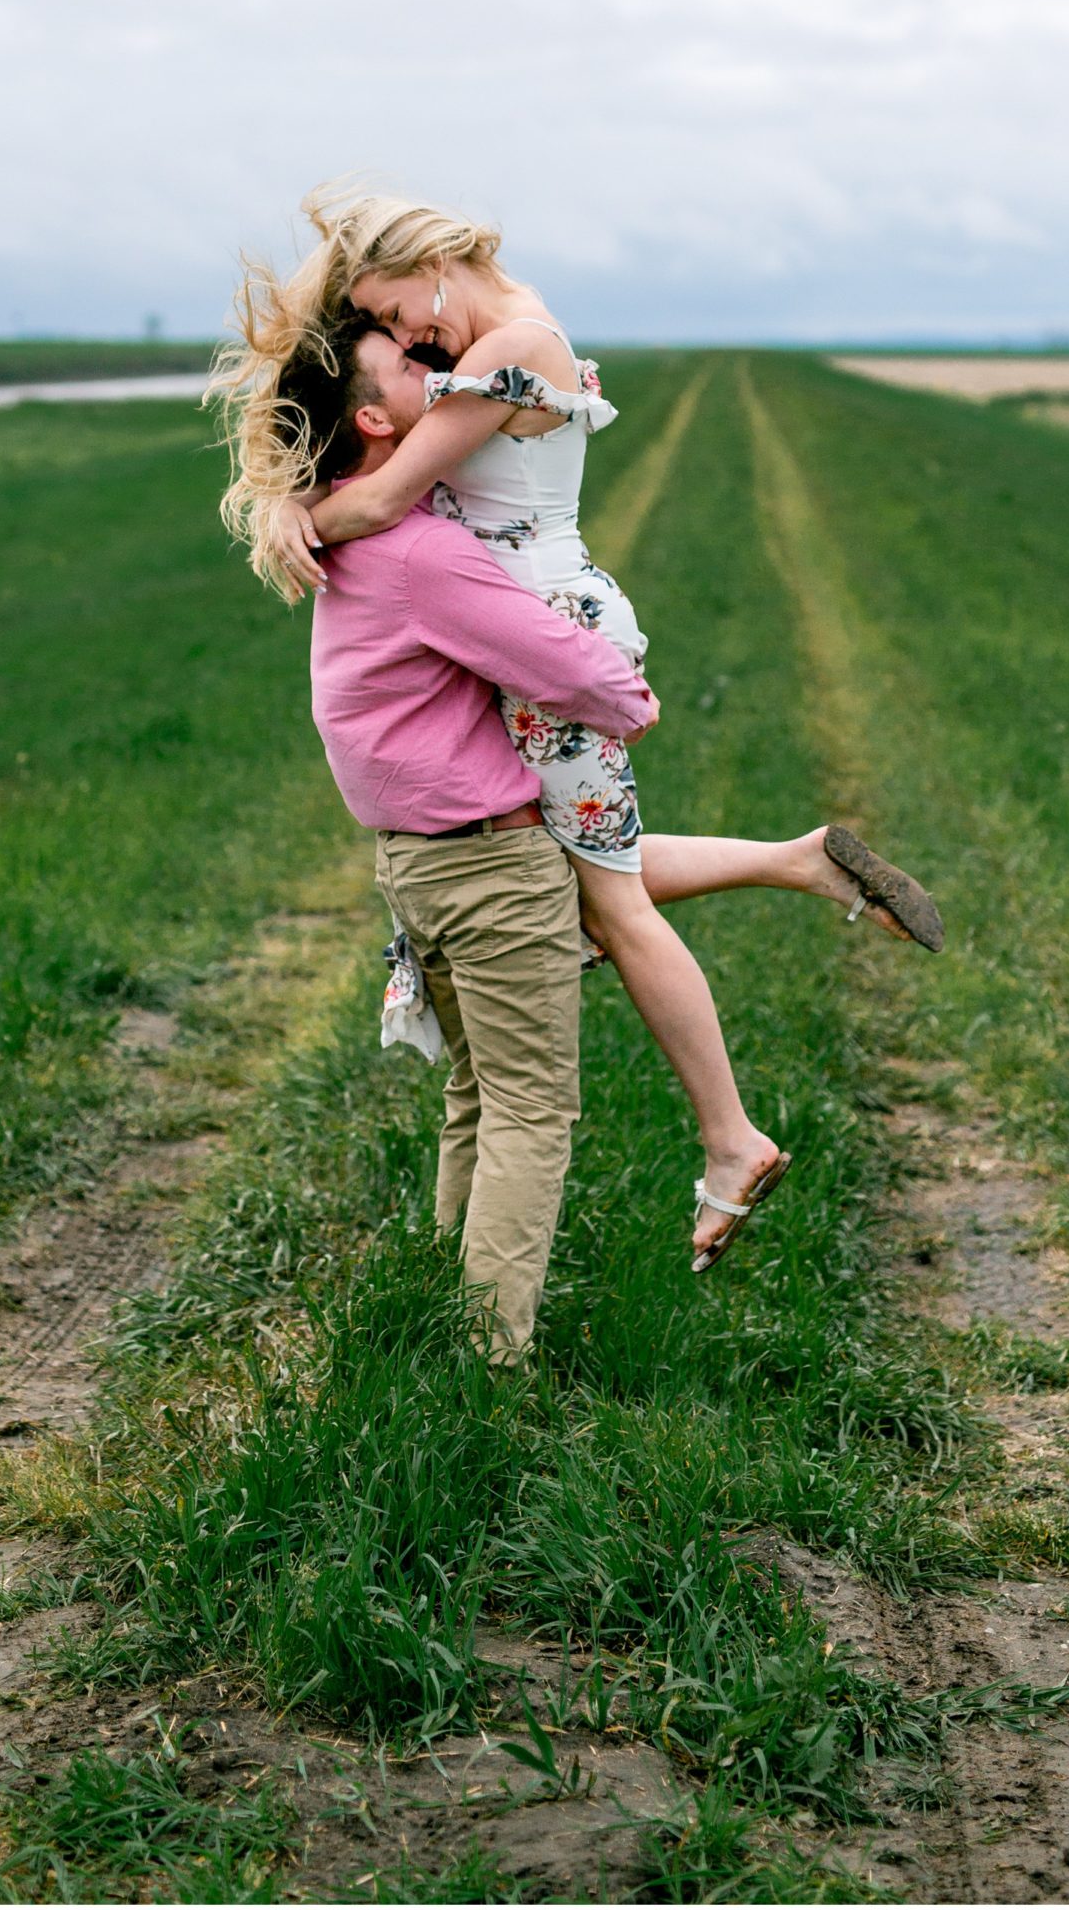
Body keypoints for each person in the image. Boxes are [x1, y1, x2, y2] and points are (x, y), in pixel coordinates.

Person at [214, 183, 943, 1270]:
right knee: (576, 865)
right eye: (396, 331)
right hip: (521, 626)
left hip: (543, 638)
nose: (412, 338)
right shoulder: (511, 333)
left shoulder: (513, 340)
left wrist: (285, 512)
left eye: (402, 313)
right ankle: (801, 864)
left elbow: (377, 504)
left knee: (605, 900)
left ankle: (731, 1136)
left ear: (433, 260)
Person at [298, 317, 661, 1361]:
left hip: (416, 863)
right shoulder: (422, 550)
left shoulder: (357, 533)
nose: (439, 369)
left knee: (477, 1094)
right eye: (413, 367)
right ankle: (486, 1366)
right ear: (375, 418)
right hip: (488, 865)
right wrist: (632, 700)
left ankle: (441, 1300)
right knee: (534, 1112)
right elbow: (582, 674)